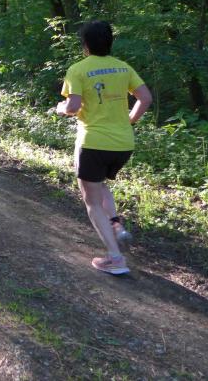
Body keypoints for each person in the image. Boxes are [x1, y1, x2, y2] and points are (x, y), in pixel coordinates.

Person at [55, 21, 153, 275]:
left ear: (85, 45)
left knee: (91, 201)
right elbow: (145, 98)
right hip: (123, 143)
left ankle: (115, 258)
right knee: (98, 186)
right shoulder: (123, 67)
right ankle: (116, 225)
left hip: (93, 142)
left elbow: (73, 106)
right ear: (110, 42)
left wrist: (61, 109)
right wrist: (129, 121)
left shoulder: (78, 69)